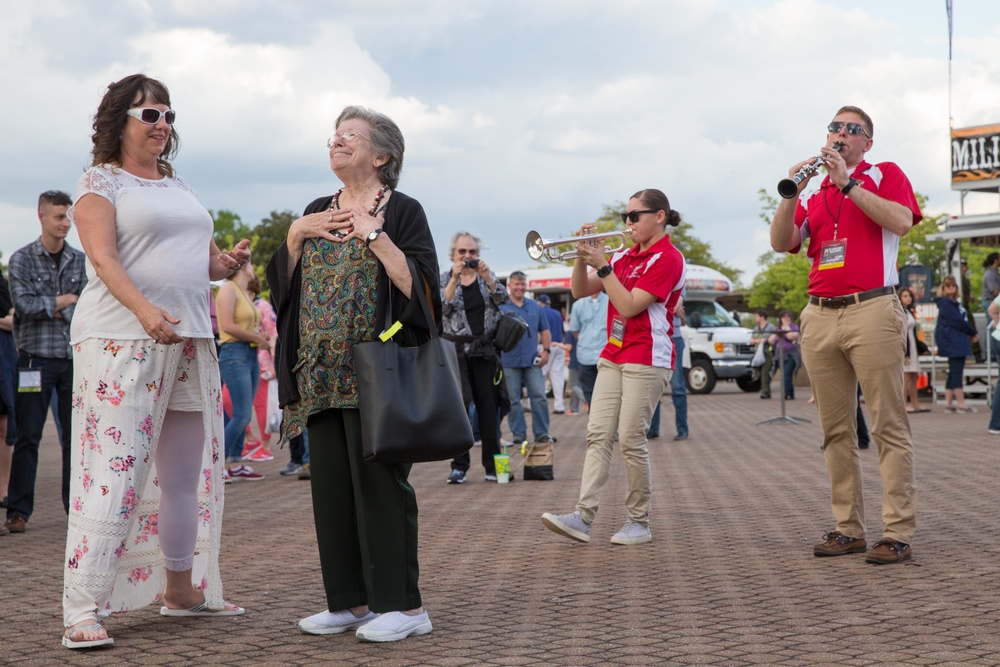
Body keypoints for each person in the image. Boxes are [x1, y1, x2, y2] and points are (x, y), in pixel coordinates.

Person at [61, 74, 248, 649]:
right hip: (124, 339)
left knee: (185, 477)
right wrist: (145, 311)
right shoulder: (100, 182)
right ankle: (82, 609)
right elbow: (104, 258)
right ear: (119, 122)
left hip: (189, 339)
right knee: (115, 471)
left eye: (167, 115)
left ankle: (181, 589)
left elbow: (199, 262)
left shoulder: (178, 184)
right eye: (149, 115)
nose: (162, 125)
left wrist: (224, 264)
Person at [267, 105, 437, 642]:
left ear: (382, 155)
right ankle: (350, 601)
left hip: (376, 374)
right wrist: (295, 234)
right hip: (318, 372)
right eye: (334, 136)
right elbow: (284, 291)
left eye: (351, 136)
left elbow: (423, 292)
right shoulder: (317, 209)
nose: (336, 142)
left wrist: (375, 236)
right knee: (332, 490)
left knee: (381, 486)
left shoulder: (403, 210)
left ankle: (405, 608)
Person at [771, 105, 922, 565]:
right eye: (834, 127)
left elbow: (900, 221)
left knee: (886, 425)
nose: (840, 134)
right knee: (835, 430)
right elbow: (782, 243)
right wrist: (791, 193)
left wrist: (849, 184)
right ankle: (847, 528)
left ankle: (896, 531)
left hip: (872, 308)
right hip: (819, 314)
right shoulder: (815, 191)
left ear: (867, 142)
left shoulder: (883, 172)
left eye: (851, 129)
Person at [542, 188, 685, 546]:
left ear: (660, 216)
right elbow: (579, 291)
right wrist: (581, 255)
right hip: (614, 354)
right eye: (626, 216)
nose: (628, 223)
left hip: (648, 357)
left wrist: (603, 265)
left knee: (632, 440)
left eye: (634, 216)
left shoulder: (668, 258)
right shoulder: (624, 254)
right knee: (598, 435)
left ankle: (639, 521)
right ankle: (583, 516)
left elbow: (630, 305)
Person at [5, 190, 87, 536]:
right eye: (58, 217)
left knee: (76, 438)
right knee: (28, 436)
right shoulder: (22, 259)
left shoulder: (80, 259)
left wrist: (52, 304)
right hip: (34, 359)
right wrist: (65, 300)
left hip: (72, 359)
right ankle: (18, 511)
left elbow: (87, 306)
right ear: (41, 217)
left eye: (68, 216)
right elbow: (22, 305)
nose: (65, 222)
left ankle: (77, 511)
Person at [440, 231, 509, 484]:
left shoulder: (485, 279)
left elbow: (504, 299)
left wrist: (488, 277)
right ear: (453, 254)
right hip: (456, 353)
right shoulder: (445, 278)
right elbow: (441, 308)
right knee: (459, 411)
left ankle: (492, 466)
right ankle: (459, 466)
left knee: (488, 410)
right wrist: (455, 279)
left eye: (472, 252)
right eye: (462, 252)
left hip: (484, 352)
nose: (467, 256)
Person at [216, 262, 271, 481]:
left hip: (249, 354)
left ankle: (236, 463)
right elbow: (228, 326)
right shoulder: (228, 288)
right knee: (241, 416)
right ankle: (215, 465)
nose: (253, 267)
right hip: (234, 353)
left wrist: (259, 337)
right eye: (249, 263)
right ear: (241, 268)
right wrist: (257, 338)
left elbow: (245, 326)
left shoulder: (243, 293)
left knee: (242, 412)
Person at [500, 271, 552, 446]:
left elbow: (544, 330)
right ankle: (519, 434)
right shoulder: (501, 307)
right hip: (508, 360)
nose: (520, 287)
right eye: (517, 284)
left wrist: (546, 351)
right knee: (514, 400)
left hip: (532, 360)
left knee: (539, 396)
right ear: (509, 286)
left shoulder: (535, 306)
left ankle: (542, 433)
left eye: (523, 284)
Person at [241, 274, 277, 462]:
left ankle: (265, 446)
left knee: (260, 404)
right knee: (228, 400)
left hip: (261, 363)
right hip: (243, 360)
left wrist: (274, 365)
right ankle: (250, 438)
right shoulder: (239, 305)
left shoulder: (263, 307)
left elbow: (274, 334)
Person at [934, 275, 978, 414]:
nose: (951, 288)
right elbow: (958, 322)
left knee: (953, 372)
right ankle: (961, 403)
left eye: (953, 286)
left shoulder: (953, 303)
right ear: (943, 288)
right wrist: (972, 332)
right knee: (957, 372)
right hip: (953, 341)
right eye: (948, 286)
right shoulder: (947, 304)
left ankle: (948, 403)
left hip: (955, 340)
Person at [567, 290, 608, 407]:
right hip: (586, 355)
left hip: (606, 355)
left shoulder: (611, 301)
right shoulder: (578, 305)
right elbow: (575, 330)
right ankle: (594, 420)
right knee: (589, 393)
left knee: (607, 393)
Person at [0, 270, 16, 521]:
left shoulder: (2, 284)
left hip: (3, 359)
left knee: (5, 426)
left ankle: (4, 489)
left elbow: (14, 319)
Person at [537, 294, 568, 414]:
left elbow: (540, 331)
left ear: (540, 302)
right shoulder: (557, 313)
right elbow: (561, 330)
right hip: (558, 345)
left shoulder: (539, 312)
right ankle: (559, 406)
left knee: (539, 375)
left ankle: (531, 404)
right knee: (558, 378)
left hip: (545, 346)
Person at [898, 287, 927, 413]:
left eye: (909, 295)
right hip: (906, 347)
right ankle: (904, 404)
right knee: (906, 377)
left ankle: (915, 403)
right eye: (904, 296)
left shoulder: (908, 311)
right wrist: (905, 352)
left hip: (912, 346)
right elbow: (902, 333)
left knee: (914, 376)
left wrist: (923, 347)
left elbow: (913, 333)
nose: (908, 298)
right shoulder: (899, 312)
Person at [770, 310, 800, 400]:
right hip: (780, 354)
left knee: (787, 373)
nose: (786, 319)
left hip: (791, 354)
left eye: (788, 317)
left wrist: (786, 327)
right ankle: (789, 392)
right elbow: (771, 340)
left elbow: (792, 336)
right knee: (783, 374)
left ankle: (787, 393)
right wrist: (778, 332)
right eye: (784, 317)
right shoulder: (777, 328)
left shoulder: (793, 326)